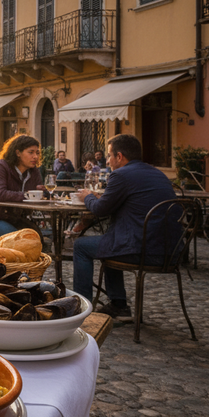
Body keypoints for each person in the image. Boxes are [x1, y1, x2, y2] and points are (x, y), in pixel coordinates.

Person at [72, 135, 176, 321]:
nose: (108, 161)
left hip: (143, 249)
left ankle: (82, 308)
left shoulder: (121, 175)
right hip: (170, 249)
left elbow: (100, 209)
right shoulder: (157, 173)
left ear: (119, 156)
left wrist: (87, 196)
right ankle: (119, 305)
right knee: (110, 241)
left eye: (109, 156)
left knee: (81, 246)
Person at [0, 134, 44, 237]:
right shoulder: (0, 167)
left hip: (15, 218)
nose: (35, 157)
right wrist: (28, 195)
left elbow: (38, 192)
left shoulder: (34, 171)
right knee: (18, 239)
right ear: (18, 153)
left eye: (37, 153)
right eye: (30, 152)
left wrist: (44, 193)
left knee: (37, 239)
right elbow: (0, 194)